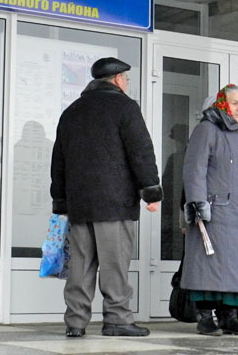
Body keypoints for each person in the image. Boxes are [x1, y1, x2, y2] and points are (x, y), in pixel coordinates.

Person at [50, 57, 163, 338]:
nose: (127, 83)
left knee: (80, 265)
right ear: (118, 79)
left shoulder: (72, 111)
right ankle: (117, 319)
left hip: (79, 204)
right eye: (126, 79)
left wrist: (60, 200)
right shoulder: (124, 106)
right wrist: (150, 190)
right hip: (114, 203)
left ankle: (75, 322)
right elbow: (140, 151)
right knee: (114, 265)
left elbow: (58, 161)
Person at [181, 84, 238, 336]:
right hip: (215, 212)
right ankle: (205, 317)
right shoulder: (207, 129)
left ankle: (229, 316)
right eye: (234, 103)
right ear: (222, 104)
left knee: (235, 266)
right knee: (208, 265)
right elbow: (195, 169)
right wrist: (197, 205)